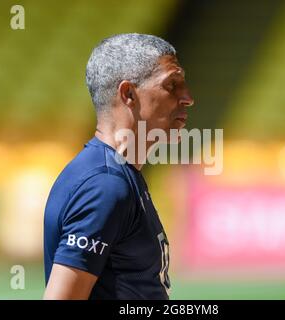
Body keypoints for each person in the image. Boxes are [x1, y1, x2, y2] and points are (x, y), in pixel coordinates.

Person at [43, 33, 194, 299]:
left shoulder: (118, 174)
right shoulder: (105, 185)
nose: (187, 98)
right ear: (128, 94)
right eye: (172, 85)